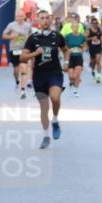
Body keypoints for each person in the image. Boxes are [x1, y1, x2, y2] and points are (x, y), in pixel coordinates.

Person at [20, 11, 68, 149]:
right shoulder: (33, 38)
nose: (45, 21)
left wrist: (66, 63)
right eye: (42, 18)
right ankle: (46, 135)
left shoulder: (57, 36)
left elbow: (66, 50)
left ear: (51, 20)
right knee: (44, 107)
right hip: (39, 75)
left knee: (55, 97)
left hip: (55, 72)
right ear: (38, 20)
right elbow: (23, 58)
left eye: (47, 18)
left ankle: (55, 119)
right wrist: (36, 53)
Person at [3, 10, 34, 98]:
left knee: (23, 68)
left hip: (24, 49)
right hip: (14, 49)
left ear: (24, 17)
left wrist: (29, 38)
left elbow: (31, 35)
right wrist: (11, 36)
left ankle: (23, 90)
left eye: (21, 16)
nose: (19, 18)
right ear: (16, 17)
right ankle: (17, 80)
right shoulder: (11, 25)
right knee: (16, 70)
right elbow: (4, 35)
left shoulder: (28, 26)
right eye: (18, 16)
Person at [64, 20, 88, 97]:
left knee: (77, 75)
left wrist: (83, 49)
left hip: (78, 57)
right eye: (74, 27)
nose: (75, 28)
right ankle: (72, 81)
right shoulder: (68, 36)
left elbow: (85, 45)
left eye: (76, 26)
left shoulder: (82, 36)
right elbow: (64, 46)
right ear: (71, 28)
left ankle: (75, 89)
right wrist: (68, 49)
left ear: (78, 27)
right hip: (70, 57)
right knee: (71, 76)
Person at [86, 16, 102, 83]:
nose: (95, 24)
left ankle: (98, 76)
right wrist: (91, 38)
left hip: (98, 47)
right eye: (94, 23)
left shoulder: (99, 30)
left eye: (96, 23)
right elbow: (85, 39)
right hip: (92, 48)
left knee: (98, 61)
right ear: (91, 24)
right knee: (93, 62)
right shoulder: (89, 30)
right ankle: (93, 69)